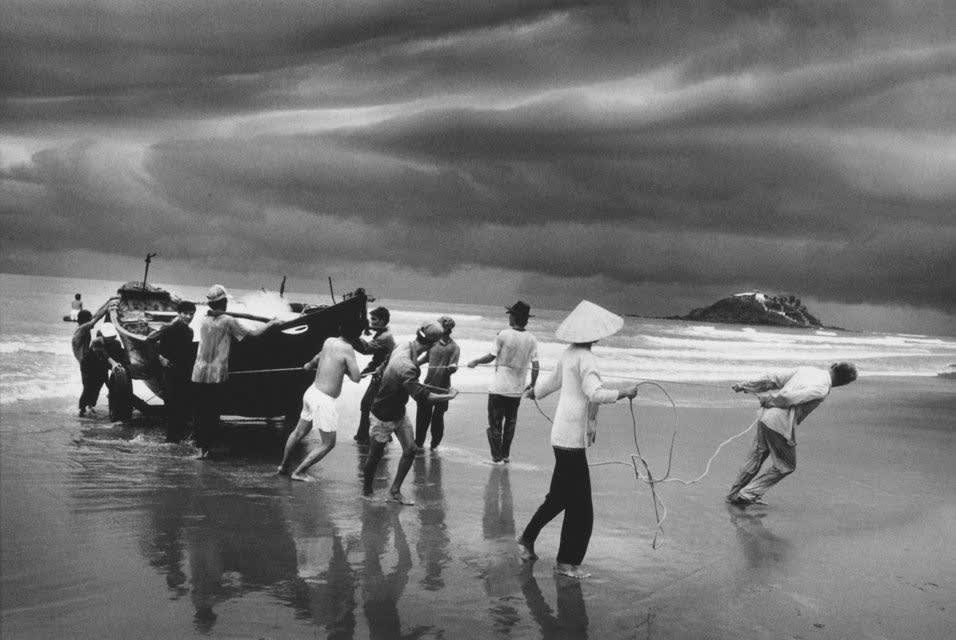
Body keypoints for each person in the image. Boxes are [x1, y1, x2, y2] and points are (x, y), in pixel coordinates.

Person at [516, 300, 638, 579]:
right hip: (571, 440)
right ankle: (566, 563)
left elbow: (549, 385)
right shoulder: (586, 358)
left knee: (559, 497)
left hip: (560, 435)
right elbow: (595, 393)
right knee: (581, 507)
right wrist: (624, 393)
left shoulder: (569, 353)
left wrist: (534, 392)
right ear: (594, 334)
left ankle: (527, 538)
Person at [726, 362, 858, 506]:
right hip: (779, 422)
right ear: (843, 382)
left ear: (833, 367)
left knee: (757, 456)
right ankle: (747, 494)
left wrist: (746, 385)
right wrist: (771, 400)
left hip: (765, 416)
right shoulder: (822, 388)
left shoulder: (807, 370)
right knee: (786, 465)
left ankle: (735, 494)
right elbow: (789, 398)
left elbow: (773, 378)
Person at [362, 321, 458, 505]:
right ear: (432, 345)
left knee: (411, 449)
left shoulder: (405, 345)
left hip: (399, 412)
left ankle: (395, 491)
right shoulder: (407, 366)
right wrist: (449, 396)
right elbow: (423, 397)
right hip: (382, 415)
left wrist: (382, 371)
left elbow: (387, 362)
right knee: (374, 456)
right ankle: (366, 492)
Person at [191, 284, 280, 459]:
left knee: (201, 412)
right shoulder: (227, 321)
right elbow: (253, 334)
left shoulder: (203, 319)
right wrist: (271, 324)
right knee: (212, 412)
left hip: (198, 373)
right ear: (223, 303)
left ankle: (200, 448)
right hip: (216, 374)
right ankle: (206, 450)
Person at [277, 328, 361, 481]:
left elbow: (319, 356)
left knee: (297, 433)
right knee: (328, 443)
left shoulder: (329, 340)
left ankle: (283, 466)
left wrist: (309, 364)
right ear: (357, 334)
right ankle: (299, 472)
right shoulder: (348, 349)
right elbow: (356, 377)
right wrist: (345, 370)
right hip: (323, 400)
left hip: (312, 392)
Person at [467, 300, 539, 463]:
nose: (509, 318)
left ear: (514, 318)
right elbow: (536, 366)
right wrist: (533, 385)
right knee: (510, 424)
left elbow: (491, 356)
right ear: (526, 319)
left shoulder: (503, 334)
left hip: (499, 388)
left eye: (510, 315)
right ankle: (505, 455)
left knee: (495, 422)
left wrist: (476, 361)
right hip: (516, 390)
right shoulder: (532, 339)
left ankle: (496, 456)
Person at [147, 301, 197, 442]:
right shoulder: (168, 328)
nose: (188, 316)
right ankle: (171, 439)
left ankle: (176, 439)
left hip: (184, 371)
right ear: (179, 314)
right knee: (172, 404)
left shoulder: (189, 331)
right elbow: (149, 340)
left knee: (181, 404)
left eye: (191, 314)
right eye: (185, 314)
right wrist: (160, 357)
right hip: (170, 371)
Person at [415, 315, 460, 450]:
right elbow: (424, 359)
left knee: (438, 418)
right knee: (423, 417)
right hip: (428, 384)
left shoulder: (454, 347)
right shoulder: (433, 343)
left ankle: (434, 445)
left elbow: (454, 365)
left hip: (443, 388)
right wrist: (413, 364)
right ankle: (419, 443)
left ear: (445, 329)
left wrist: (452, 368)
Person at [352, 307, 396, 445]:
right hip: (381, 373)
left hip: (385, 376)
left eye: (374, 319)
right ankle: (379, 436)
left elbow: (366, 350)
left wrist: (351, 336)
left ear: (382, 321)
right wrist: (365, 371)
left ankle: (364, 437)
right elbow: (377, 357)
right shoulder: (383, 333)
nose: (371, 322)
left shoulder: (384, 337)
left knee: (367, 404)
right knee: (375, 406)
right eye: (371, 319)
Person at [72, 302, 110, 416]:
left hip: (87, 361)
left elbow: (94, 316)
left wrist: (108, 303)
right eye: (88, 319)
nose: (91, 322)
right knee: (89, 387)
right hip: (85, 362)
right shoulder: (82, 329)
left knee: (95, 384)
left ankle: (88, 406)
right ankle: (83, 409)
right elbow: (95, 320)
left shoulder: (82, 327)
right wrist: (108, 307)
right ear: (85, 320)